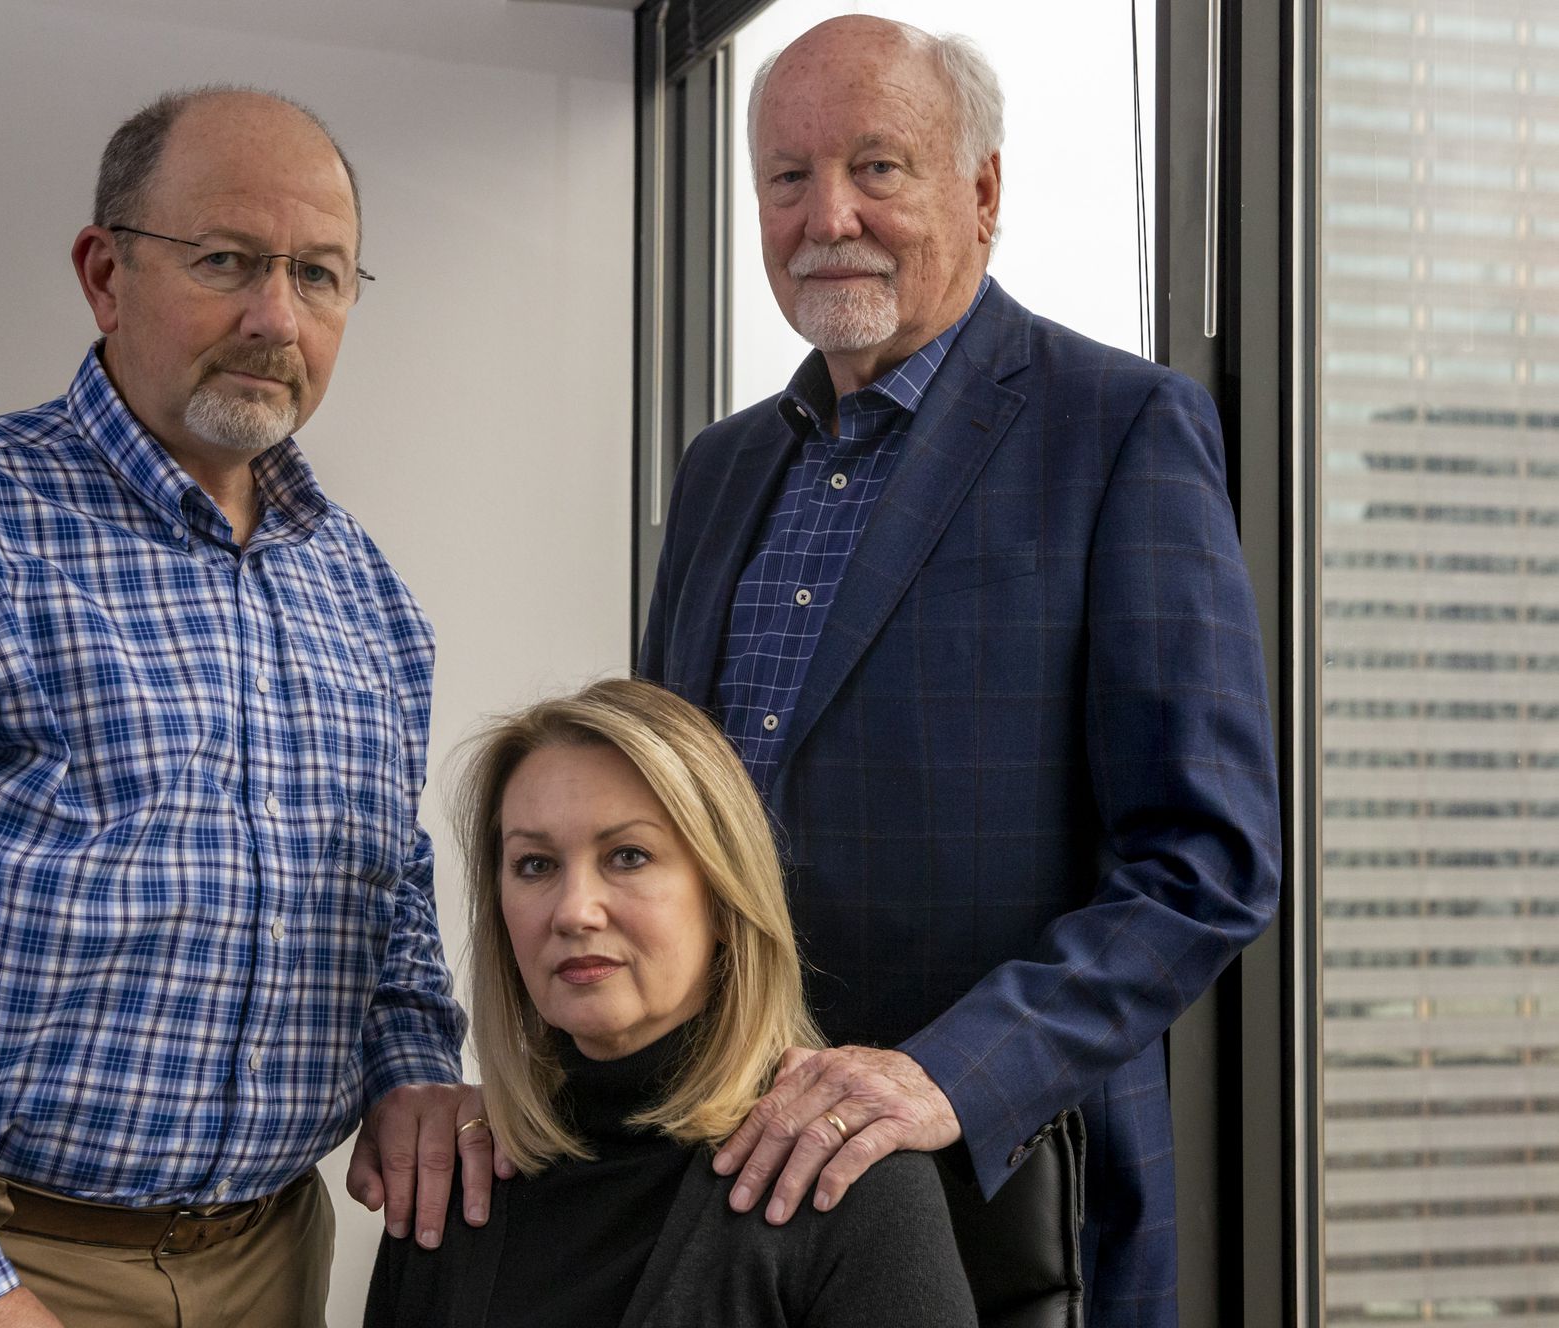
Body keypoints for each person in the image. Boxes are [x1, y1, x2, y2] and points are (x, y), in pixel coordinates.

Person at [639, 16, 1281, 1326]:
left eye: (880, 168)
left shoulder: (1121, 430)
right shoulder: (718, 472)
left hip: (996, 1199)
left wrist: (951, 1074)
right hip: (722, 1175)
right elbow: (664, 813)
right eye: (786, 177)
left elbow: (1206, 861)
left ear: (981, 191)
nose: (829, 215)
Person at [0, 88, 491, 1328]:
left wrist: (416, 1070)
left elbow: (385, 908)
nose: (275, 317)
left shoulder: (368, 596)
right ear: (103, 273)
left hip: (274, 1257)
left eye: (319, 275)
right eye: (226, 260)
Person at [364, 678, 978, 1327]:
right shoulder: (451, 1173)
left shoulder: (845, 1169)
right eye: (535, 865)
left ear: (722, 895)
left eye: (628, 856)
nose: (574, 911)